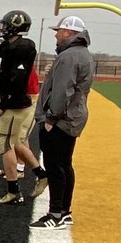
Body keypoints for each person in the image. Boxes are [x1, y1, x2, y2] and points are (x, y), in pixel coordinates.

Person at [30, 15, 95, 229]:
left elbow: (62, 91)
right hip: (72, 116)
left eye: (59, 31)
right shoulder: (79, 54)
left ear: (68, 32)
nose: (56, 35)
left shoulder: (69, 56)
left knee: (55, 165)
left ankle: (56, 213)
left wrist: (51, 117)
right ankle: (64, 212)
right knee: (64, 165)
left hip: (62, 119)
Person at [0, 10, 48, 205]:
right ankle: (41, 175)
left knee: (7, 145)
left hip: (17, 103)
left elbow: (17, 81)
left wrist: (2, 104)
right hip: (12, 102)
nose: (2, 28)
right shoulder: (5, 47)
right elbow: (3, 77)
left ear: (15, 25)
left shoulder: (24, 47)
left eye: (5, 24)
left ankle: (14, 191)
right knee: (16, 143)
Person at [0, 38, 26, 178]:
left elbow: (23, 88)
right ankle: (11, 167)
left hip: (22, 103)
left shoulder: (16, 65)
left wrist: (3, 105)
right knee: (12, 138)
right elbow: (0, 85)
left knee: (20, 137)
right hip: (11, 102)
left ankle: (21, 168)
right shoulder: (1, 67)